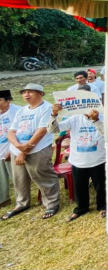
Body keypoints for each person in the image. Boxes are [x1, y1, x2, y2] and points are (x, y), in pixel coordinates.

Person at [2, 84, 59, 220]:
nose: (26, 95)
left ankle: (51, 203)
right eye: (24, 92)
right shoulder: (22, 110)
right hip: (18, 148)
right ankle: (22, 203)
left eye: (30, 92)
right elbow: (11, 132)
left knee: (43, 176)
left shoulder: (46, 108)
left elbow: (41, 131)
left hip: (38, 149)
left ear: (40, 93)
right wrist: (17, 146)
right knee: (19, 178)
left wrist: (24, 150)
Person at [48, 100, 106, 222]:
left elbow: (107, 133)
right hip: (78, 160)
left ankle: (103, 206)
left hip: (98, 159)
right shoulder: (74, 118)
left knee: (101, 185)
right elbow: (53, 130)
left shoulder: (104, 116)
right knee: (80, 186)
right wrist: (54, 114)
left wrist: (96, 120)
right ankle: (81, 208)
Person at [0, 90, 20, 208]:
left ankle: (21, 199)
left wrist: (13, 149)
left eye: (0, 100)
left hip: (12, 149)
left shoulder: (17, 111)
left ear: (8, 100)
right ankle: (3, 199)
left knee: (16, 176)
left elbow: (22, 131)